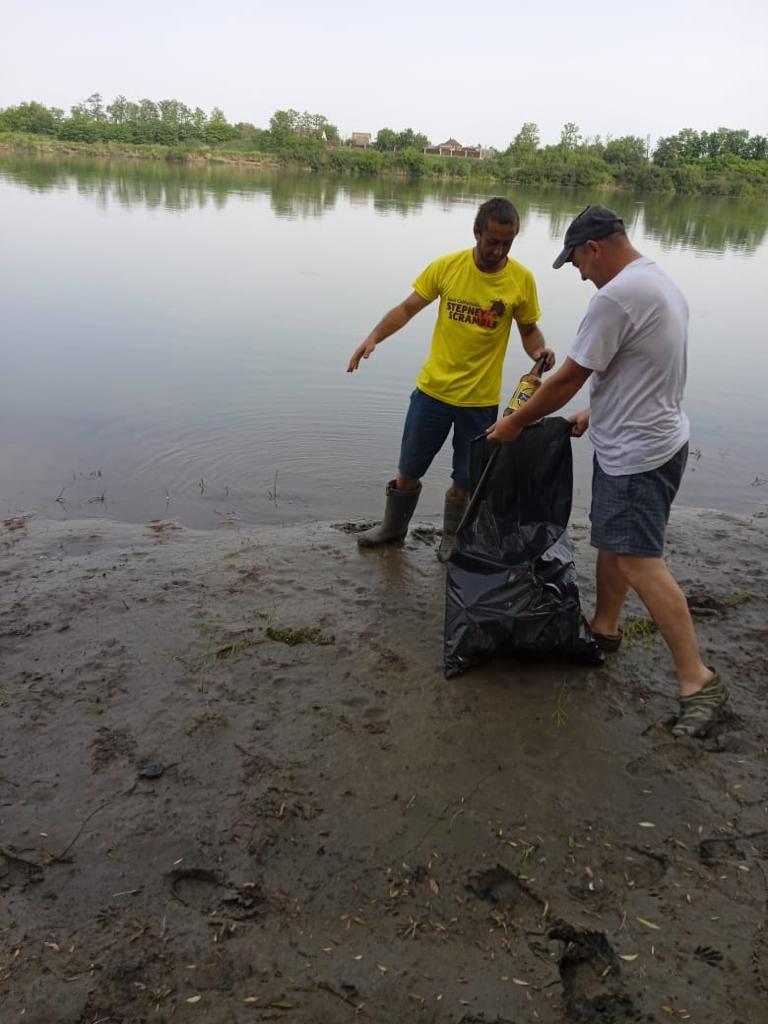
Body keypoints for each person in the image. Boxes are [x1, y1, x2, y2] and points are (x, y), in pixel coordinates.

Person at [486, 204, 728, 738]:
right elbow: (648, 369)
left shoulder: (614, 297)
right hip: (653, 438)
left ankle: (697, 680)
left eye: (575, 260)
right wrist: (597, 413)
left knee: (641, 562)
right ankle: (605, 628)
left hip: (638, 454)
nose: (577, 272)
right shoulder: (658, 282)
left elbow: (567, 378)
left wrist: (515, 424)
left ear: (594, 247)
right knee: (613, 545)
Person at [347, 196, 554, 559]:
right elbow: (408, 308)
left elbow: (529, 331)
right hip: (433, 392)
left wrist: (539, 352)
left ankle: (452, 539)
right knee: (408, 468)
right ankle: (393, 529)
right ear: (476, 232)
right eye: (492, 241)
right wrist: (373, 337)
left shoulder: (521, 280)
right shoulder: (447, 267)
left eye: (507, 243)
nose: (499, 250)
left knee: (465, 479)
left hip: (480, 400)